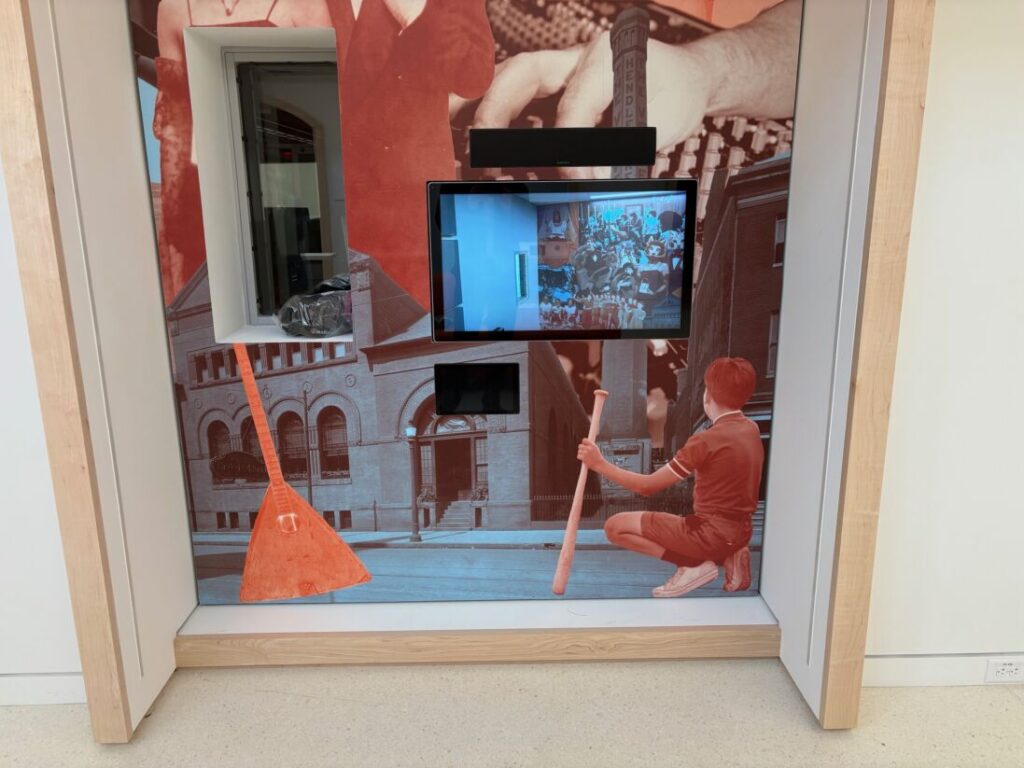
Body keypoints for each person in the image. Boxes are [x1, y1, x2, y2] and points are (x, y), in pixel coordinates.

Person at [577, 358, 764, 597]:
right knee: (699, 527)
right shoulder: (751, 429)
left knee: (615, 527)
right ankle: (731, 555)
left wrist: (599, 464)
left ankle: (692, 565)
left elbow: (647, 487)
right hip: (741, 531)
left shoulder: (706, 440)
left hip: (710, 535)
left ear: (708, 394)